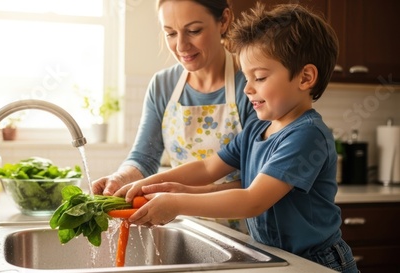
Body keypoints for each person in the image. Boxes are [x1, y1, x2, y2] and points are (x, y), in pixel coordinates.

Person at [115, 3, 359, 273]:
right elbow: (208, 167)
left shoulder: (307, 135)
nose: (248, 88)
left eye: (260, 77)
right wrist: (151, 184)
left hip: (316, 262)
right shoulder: (258, 129)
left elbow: (252, 200)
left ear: (305, 77)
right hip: (278, 256)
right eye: (246, 77)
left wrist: (177, 203)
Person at [92, 0, 256, 200]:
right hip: (183, 220)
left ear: (224, 20)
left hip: (239, 227)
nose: (181, 46)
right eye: (170, 33)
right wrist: (120, 178)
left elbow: (258, 179)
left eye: (194, 31)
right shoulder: (163, 85)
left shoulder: (252, 84)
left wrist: (185, 196)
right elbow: (144, 159)